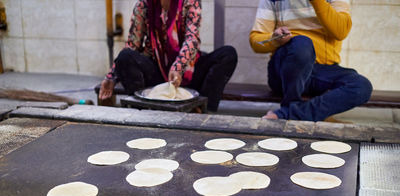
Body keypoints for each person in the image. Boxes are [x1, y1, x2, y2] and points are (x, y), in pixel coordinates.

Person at [100, 0, 237, 112]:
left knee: (228, 54)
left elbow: (192, 39)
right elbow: (132, 45)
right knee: (125, 57)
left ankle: (203, 110)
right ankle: (141, 110)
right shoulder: (144, 5)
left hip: (189, 72)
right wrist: (111, 76)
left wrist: (178, 66)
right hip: (158, 75)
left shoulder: (190, 2)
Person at [249, 0, 372, 121]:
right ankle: (295, 109)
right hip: (285, 72)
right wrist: (275, 39)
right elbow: (256, 42)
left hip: (321, 70)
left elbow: (341, 32)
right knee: (302, 43)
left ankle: (289, 114)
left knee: (361, 86)